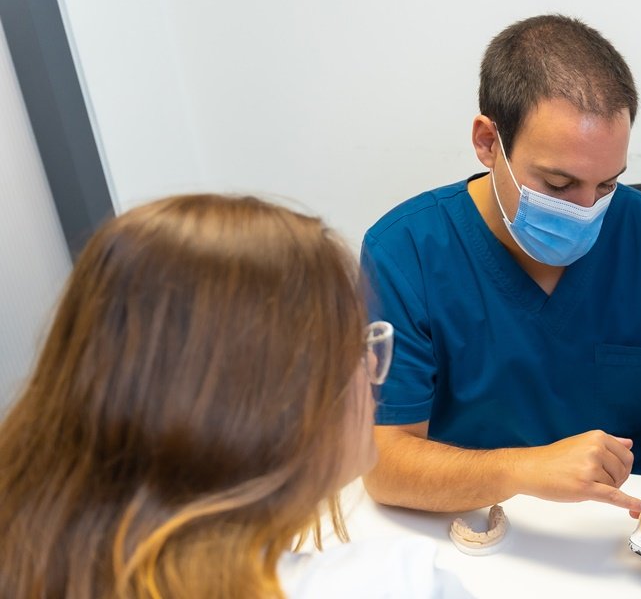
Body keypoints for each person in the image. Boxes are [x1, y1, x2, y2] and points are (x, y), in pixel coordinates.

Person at [361, 14, 641, 572]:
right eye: (559, 185)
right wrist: (523, 470)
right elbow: (385, 464)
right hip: (477, 534)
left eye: (607, 183)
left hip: (631, 540)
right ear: (488, 142)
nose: (587, 211)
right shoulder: (406, 252)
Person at [0, 194, 472, 598]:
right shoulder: (397, 583)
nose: (371, 362)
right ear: (272, 400)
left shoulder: (36, 564)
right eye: (352, 342)